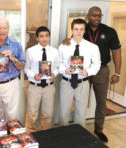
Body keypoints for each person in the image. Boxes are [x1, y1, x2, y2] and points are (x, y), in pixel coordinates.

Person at [63, 6, 121, 142]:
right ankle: (77, 128)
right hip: (82, 71)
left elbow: (117, 53)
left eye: (99, 15)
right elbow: (73, 45)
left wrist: (117, 73)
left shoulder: (109, 31)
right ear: (88, 16)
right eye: (94, 15)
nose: (97, 18)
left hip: (101, 70)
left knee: (101, 102)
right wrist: (65, 40)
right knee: (79, 99)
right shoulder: (82, 29)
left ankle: (98, 129)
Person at [59, 19, 101, 128]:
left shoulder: (92, 47)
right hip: (66, 82)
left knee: (81, 114)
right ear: (72, 30)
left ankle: (79, 139)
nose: (78, 32)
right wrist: (65, 70)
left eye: (81, 29)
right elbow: (57, 64)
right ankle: (62, 138)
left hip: (83, 83)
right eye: (76, 29)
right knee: (63, 113)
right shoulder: (63, 46)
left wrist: (88, 71)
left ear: (84, 31)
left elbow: (97, 64)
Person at [0, 17, 26, 121]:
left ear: (8, 29)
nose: (2, 31)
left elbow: (22, 66)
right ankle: (0, 137)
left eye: (4, 28)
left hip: (11, 84)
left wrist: (12, 58)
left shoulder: (16, 45)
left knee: (12, 116)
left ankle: (11, 137)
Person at [24, 26, 59, 132]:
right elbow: (26, 69)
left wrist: (54, 74)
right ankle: (31, 135)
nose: (44, 39)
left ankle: (46, 135)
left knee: (47, 114)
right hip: (35, 87)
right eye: (42, 36)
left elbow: (58, 67)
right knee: (32, 113)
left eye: (47, 36)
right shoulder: (30, 51)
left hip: (49, 87)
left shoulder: (55, 51)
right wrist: (33, 75)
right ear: (37, 37)